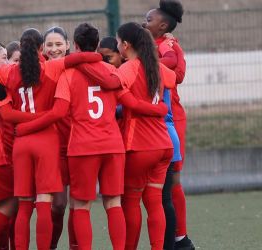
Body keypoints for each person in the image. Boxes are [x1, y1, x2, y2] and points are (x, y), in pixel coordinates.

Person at [14, 23, 170, 250]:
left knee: (81, 205)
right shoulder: (113, 71)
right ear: (97, 45)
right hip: (113, 144)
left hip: (83, 146)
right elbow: (124, 99)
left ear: (74, 46)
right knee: (114, 203)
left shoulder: (67, 74)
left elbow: (60, 111)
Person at [0, 28, 103, 250]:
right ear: (41, 49)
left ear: (21, 48)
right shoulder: (51, 67)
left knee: (23, 206)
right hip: (46, 140)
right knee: (44, 203)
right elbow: (86, 57)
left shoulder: (8, 73)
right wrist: (97, 56)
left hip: (21, 142)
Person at [115, 22, 175, 250]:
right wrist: (159, 108)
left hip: (140, 145)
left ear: (125, 45)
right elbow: (175, 77)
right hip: (163, 145)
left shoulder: (127, 69)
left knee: (130, 202)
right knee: (154, 201)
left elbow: (128, 102)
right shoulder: (156, 67)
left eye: (118, 41)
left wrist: (156, 108)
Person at [143, 1, 194, 249]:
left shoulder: (170, 45)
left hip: (171, 119)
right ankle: (167, 239)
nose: (144, 22)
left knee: (172, 180)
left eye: (148, 19)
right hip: (149, 119)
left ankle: (180, 237)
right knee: (155, 186)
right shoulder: (144, 46)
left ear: (162, 25)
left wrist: (146, 60)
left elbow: (178, 72)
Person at [42, 26, 73, 250]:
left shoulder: (78, 68)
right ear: (43, 48)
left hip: (81, 143)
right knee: (59, 204)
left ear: (68, 45)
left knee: (79, 205)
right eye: (50, 45)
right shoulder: (40, 70)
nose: (54, 49)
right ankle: (51, 245)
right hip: (54, 146)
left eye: (58, 44)